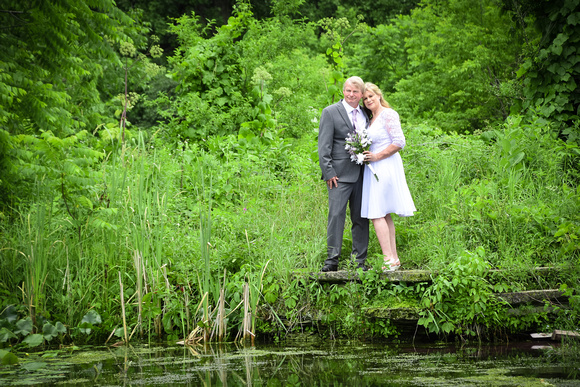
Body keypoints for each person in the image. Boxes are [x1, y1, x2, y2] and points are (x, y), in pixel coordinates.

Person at [361, 82, 416, 271]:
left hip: (385, 164)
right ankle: (394, 258)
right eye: (365, 98)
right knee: (383, 212)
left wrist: (376, 156)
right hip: (373, 167)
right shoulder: (371, 118)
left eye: (370, 96)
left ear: (378, 95)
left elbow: (400, 142)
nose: (368, 100)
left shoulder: (388, 114)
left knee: (376, 212)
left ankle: (387, 261)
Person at [318, 76, 370, 272]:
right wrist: (328, 171)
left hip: (362, 174)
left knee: (361, 218)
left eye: (355, 92)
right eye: (348, 90)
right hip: (338, 176)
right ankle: (332, 260)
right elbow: (324, 145)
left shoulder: (366, 114)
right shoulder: (330, 112)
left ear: (361, 94)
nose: (351, 94)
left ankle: (359, 262)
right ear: (343, 91)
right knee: (336, 216)